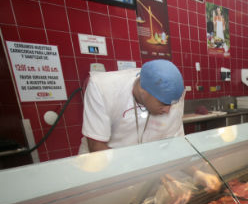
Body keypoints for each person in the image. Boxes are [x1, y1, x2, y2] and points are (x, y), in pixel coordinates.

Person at [79, 59, 220, 191]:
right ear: (143, 91)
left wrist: (197, 174)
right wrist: (147, 172)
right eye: (163, 104)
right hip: (104, 173)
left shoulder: (169, 99)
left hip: (146, 174)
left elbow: (174, 147)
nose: (168, 110)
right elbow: (97, 148)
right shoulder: (103, 88)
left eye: (172, 104)